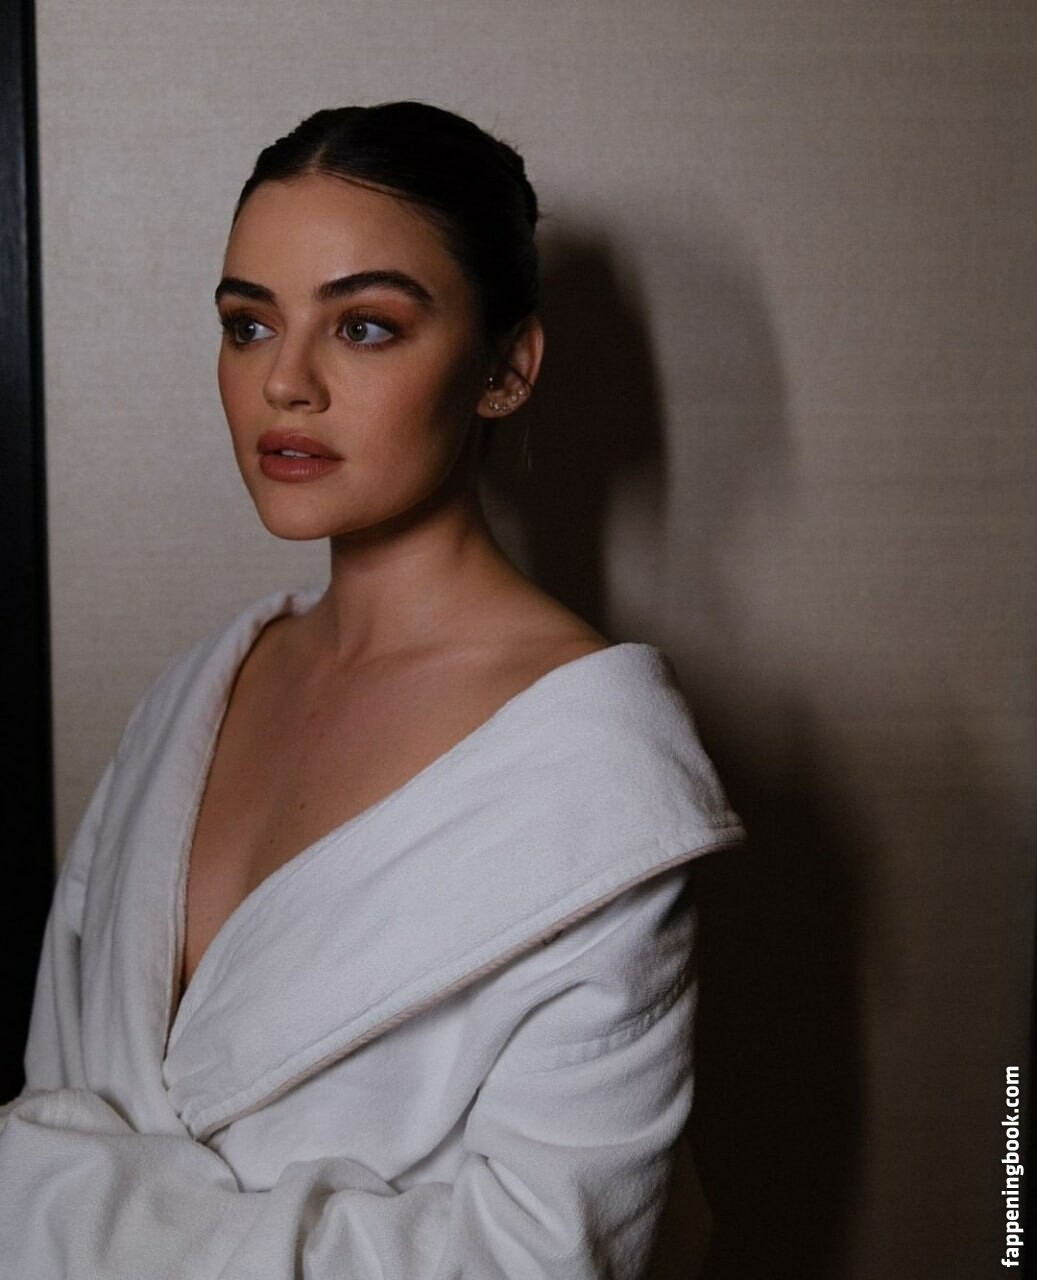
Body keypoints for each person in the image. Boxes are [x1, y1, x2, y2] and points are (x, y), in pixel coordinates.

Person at [0, 102, 743, 1278]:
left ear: (505, 367)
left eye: (363, 325)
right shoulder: (194, 693)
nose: (283, 382)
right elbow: (53, 1098)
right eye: (248, 324)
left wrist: (70, 1208)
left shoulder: (594, 777)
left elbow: (539, 1256)